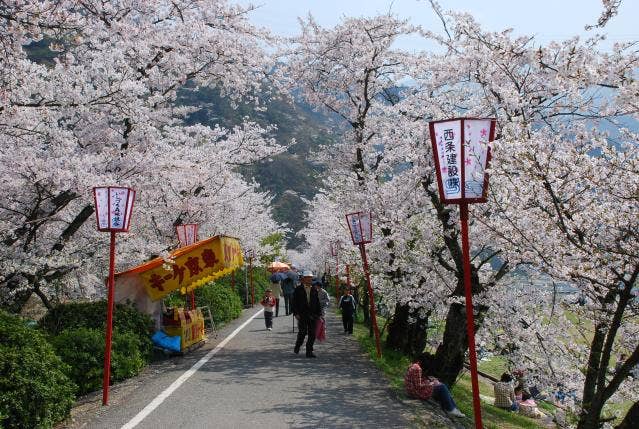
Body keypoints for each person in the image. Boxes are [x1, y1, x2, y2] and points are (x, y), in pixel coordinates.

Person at [404, 352, 465, 418]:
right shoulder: (418, 369)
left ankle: (453, 409)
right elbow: (419, 386)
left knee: (440, 385)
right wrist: (431, 383)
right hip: (415, 392)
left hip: (412, 390)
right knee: (442, 387)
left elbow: (416, 381)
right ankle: (451, 409)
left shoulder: (414, 365)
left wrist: (429, 380)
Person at [292, 270, 321, 358]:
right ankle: (298, 345)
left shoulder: (314, 289)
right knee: (302, 332)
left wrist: (319, 314)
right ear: (303, 279)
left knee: (312, 333)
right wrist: (296, 313)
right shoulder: (298, 289)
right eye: (307, 278)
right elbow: (294, 302)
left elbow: (317, 302)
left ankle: (309, 351)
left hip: (313, 314)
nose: (309, 279)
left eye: (311, 278)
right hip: (302, 314)